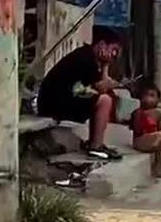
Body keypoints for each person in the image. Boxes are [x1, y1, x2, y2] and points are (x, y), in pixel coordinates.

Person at [37, 31, 125, 160]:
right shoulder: (87, 60)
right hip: (53, 104)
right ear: (101, 44)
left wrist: (105, 69)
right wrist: (106, 67)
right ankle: (95, 146)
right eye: (113, 50)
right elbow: (102, 88)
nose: (114, 55)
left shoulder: (85, 54)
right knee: (105, 101)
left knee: (99, 99)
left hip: (52, 101)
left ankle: (94, 143)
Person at [129, 79, 161, 177]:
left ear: (157, 100)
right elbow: (137, 131)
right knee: (160, 135)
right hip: (140, 141)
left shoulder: (158, 114)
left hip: (156, 140)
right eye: (146, 95)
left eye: (152, 96)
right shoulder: (138, 113)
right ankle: (158, 162)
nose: (148, 98)